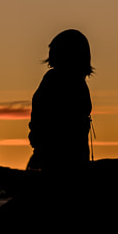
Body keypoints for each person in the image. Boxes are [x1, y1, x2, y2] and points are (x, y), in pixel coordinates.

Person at [27, 29, 93, 173]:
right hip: (76, 152)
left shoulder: (53, 79)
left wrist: (38, 145)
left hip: (52, 153)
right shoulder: (79, 83)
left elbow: (40, 114)